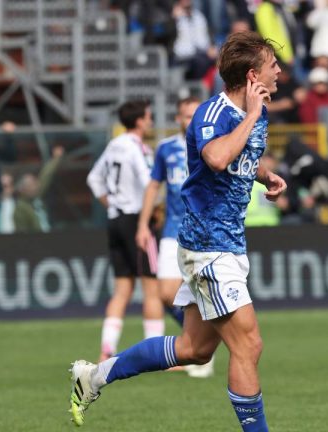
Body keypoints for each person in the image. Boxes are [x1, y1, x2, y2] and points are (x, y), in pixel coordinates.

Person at [70, 31, 287, 431]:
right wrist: (252, 115)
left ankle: (94, 376)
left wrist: (265, 175)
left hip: (228, 244)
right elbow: (217, 157)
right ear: (253, 76)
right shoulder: (213, 114)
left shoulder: (256, 113)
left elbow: (239, 156)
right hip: (208, 246)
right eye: (273, 65)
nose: (280, 71)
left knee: (194, 349)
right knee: (248, 345)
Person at [134, 96, 214, 378]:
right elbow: (153, 186)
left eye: (194, 115)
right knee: (167, 293)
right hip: (172, 230)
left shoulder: (212, 146)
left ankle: (201, 349)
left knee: (202, 292)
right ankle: (199, 341)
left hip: (203, 230)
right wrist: (143, 225)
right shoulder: (166, 148)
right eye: (185, 115)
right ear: (178, 119)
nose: (190, 120)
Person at [86, 100, 163, 362]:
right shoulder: (137, 148)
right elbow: (149, 182)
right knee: (152, 288)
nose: (151, 121)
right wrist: (155, 209)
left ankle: (106, 350)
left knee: (122, 290)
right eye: (149, 117)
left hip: (115, 218)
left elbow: (93, 179)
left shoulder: (114, 145)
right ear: (140, 121)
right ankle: (157, 355)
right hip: (137, 219)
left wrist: (112, 204)